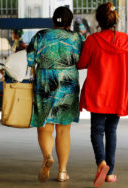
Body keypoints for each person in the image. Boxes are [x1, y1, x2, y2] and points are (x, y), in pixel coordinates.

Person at [77, 2, 128, 187]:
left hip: (98, 95)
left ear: (99, 21)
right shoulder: (127, 42)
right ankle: (110, 172)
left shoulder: (92, 41)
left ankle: (101, 162)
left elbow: (82, 63)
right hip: (118, 96)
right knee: (111, 131)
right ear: (115, 20)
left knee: (96, 131)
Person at [27, 7, 83, 182]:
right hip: (68, 82)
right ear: (70, 22)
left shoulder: (40, 36)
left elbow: (30, 60)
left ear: (53, 20)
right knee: (63, 129)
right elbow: (82, 60)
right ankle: (63, 171)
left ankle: (47, 157)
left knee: (45, 127)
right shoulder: (76, 38)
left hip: (44, 81)